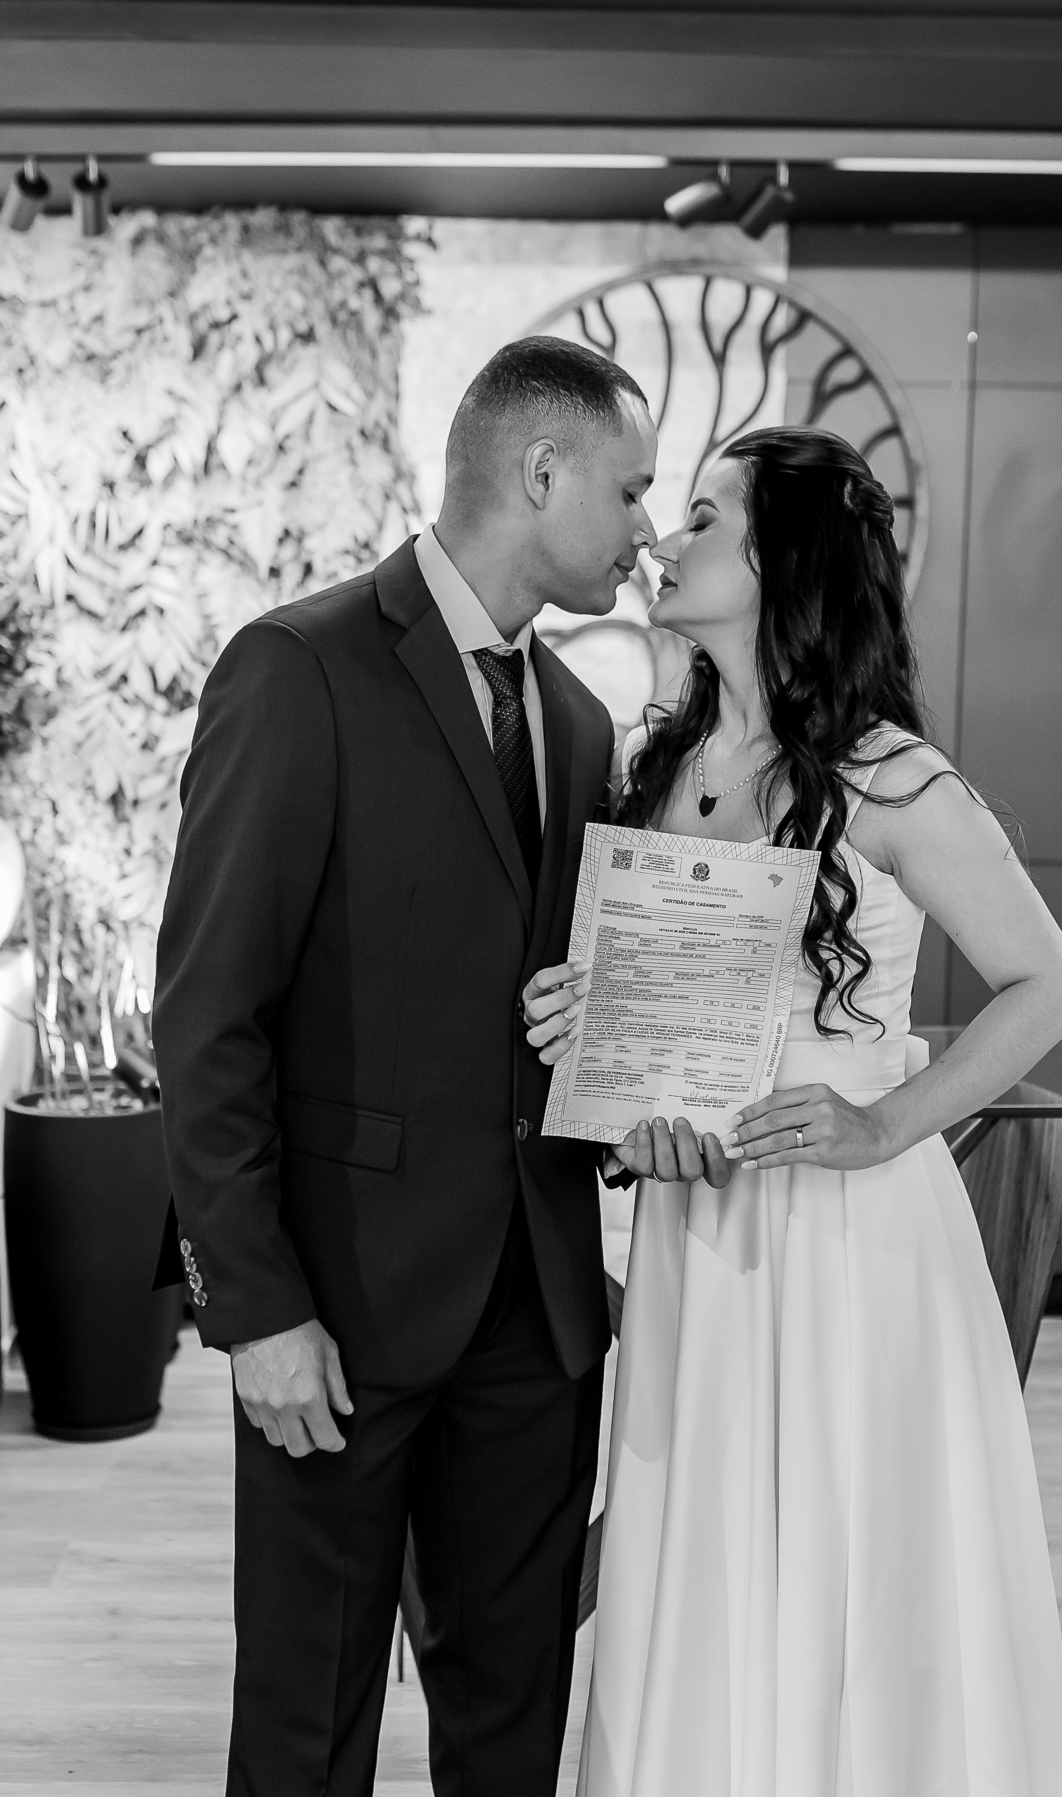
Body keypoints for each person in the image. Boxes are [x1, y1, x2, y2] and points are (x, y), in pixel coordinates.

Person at [524, 427, 1062, 1796]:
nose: (662, 537)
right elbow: (651, 1024)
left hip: (852, 1247)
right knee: (706, 1556)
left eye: (701, 514)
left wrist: (884, 1124)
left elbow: (1047, 984)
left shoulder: (897, 778)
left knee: (858, 1568)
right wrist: (588, 1046)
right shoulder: (653, 772)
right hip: (698, 1245)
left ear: (779, 560)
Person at [152, 337, 664, 1797]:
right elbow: (207, 1018)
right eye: (627, 494)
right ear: (540, 470)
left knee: (510, 1727)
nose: (642, 531)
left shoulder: (575, 718)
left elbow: (557, 1012)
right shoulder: (296, 667)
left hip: (537, 1321)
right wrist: (254, 1308)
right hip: (339, 1317)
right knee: (309, 1734)